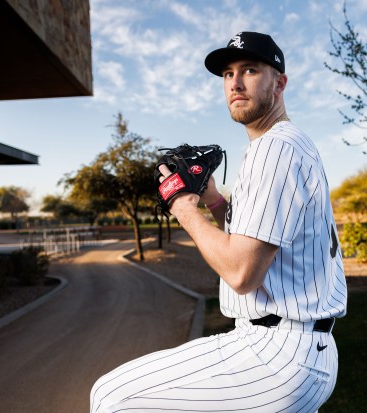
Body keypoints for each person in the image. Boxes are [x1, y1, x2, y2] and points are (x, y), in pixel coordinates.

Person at [90, 31, 347, 413]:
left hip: (278, 355)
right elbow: (257, 236)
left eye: (249, 70)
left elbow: (242, 271)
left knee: (112, 396)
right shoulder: (286, 145)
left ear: (279, 82)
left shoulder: (274, 148)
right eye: (227, 74)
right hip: (293, 346)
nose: (236, 83)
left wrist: (183, 205)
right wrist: (211, 200)